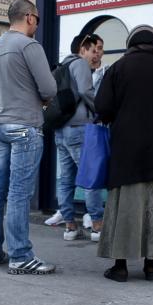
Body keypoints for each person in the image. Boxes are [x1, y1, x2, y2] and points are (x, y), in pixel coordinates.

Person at [94, 25, 153, 282]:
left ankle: (121, 266)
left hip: (128, 148)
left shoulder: (118, 68)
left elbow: (102, 107)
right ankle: (150, 265)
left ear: (130, 44)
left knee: (126, 205)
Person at [0, 0, 58, 274]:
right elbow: (49, 88)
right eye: (36, 18)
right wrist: (40, 99)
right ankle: (20, 256)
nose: (37, 23)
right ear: (28, 17)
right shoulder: (29, 45)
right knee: (18, 193)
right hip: (25, 126)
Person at [54, 34, 105, 242]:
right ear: (83, 49)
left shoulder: (63, 65)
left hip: (61, 129)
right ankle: (97, 226)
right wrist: (100, 111)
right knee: (90, 176)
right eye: (94, 50)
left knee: (66, 179)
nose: (97, 54)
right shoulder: (80, 65)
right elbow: (86, 91)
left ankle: (70, 226)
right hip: (79, 128)